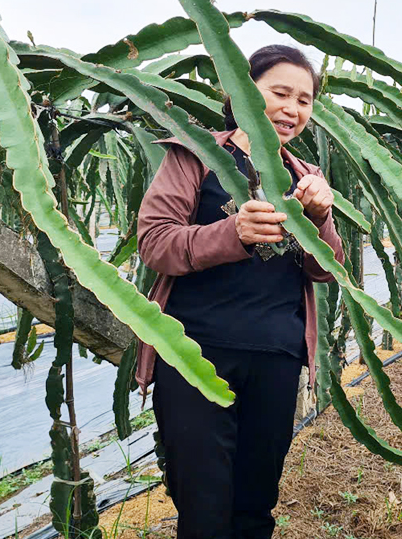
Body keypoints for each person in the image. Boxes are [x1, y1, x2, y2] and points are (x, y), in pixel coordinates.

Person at [135, 45, 345, 539]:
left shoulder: (306, 178)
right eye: (279, 94)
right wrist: (234, 234)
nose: (292, 110)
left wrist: (320, 217)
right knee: (203, 507)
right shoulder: (196, 155)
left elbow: (325, 270)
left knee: (255, 506)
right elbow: (155, 242)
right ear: (241, 93)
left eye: (305, 100)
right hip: (193, 355)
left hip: (275, 357)